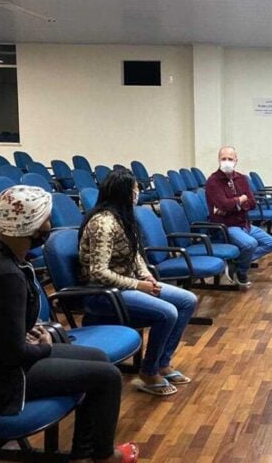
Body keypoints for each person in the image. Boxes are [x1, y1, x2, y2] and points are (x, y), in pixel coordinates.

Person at [0, 185, 138, 463]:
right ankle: (103, 456)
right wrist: (43, 346)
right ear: (30, 227)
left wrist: (25, 333)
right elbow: (13, 355)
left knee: (98, 357)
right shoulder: (3, 275)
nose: (50, 225)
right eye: (46, 218)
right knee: (107, 377)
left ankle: (84, 452)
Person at [79, 170, 197, 397]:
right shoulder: (103, 223)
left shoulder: (123, 217)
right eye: (135, 189)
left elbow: (135, 256)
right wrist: (137, 285)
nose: (138, 193)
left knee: (187, 300)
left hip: (127, 285)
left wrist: (146, 276)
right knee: (168, 312)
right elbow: (98, 272)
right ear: (123, 192)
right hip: (104, 293)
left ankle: (162, 363)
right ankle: (148, 372)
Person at [205, 146, 272, 286]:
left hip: (244, 223)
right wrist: (240, 200)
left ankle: (236, 262)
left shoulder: (241, 179)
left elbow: (251, 203)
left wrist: (235, 204)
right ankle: (242, 272)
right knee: (250, 244)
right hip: (227, 226)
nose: (227, 161)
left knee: (271, 243)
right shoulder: (213, 181)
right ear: (218, 160)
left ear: (236, 161)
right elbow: (223, 205)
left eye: (230, 159)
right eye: (223, 158)